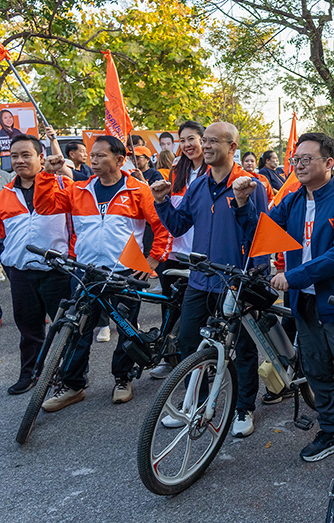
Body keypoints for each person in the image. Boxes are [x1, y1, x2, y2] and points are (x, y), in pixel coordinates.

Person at [235, 132, 334, 462]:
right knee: (316, 372)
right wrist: (243, 205)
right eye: (295, 159)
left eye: (306, 159)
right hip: (305, 303)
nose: (298, 165)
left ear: (329, 163)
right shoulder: (295, 200)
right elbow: (264, 231)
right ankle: (331, 431)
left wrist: (293, 276)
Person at [151, 122, 270, 438]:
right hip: (201, 279)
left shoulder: (251, 185)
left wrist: (256, 281)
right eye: (204, 140)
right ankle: (198, 403)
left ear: (233, 147)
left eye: (213, 141)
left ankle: (243, 408)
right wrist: (161, 203)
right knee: (190, 342)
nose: (205, 145)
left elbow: (260, 237)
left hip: (235, 282)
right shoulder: (197, 186)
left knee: (241, 348)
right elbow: (178, 227)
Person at [34, 135, 169, 410]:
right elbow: (44, 206)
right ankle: (73, 386)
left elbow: (162, 225)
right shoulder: (79, 189)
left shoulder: (138, 190)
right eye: (91, 156)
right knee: (78, 330)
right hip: (87, 272)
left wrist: (153, 260)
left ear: (119, 160)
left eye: (100, 156)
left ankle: (123, 379)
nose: (93, 160)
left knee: (126, 328)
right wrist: (47, 172)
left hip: (124, 272)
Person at [2, 135, 73, 395]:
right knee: (29, 329)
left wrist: (72, 258)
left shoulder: (62, 184)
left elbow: (75, 226)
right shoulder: (6, 193)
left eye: (26, 155)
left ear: (41, 158)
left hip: (57, 272)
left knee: (65, 328)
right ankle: (30, 374)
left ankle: (70, 378)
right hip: (20, 273)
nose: (19, 161)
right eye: (15, 156)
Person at [149, 121, 206, 380]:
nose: (186, 145)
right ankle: (171, 360)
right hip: (175, 252)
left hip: (202, 255)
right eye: (182, 140)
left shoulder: (214, 172)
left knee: (197, 317)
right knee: (171, 309)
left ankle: (201, 363)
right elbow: (171, 214)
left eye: (191, 138)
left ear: (205, 140)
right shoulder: (177, 170)